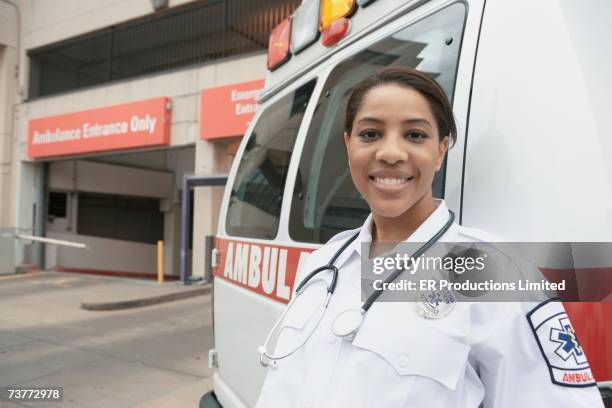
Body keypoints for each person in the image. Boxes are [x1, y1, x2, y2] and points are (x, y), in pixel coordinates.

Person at [255, 67, 604, 407]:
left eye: (415, 135)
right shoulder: (322, 264)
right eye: (370, 134)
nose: (390, 153)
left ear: (440, 150)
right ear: (348, 145)